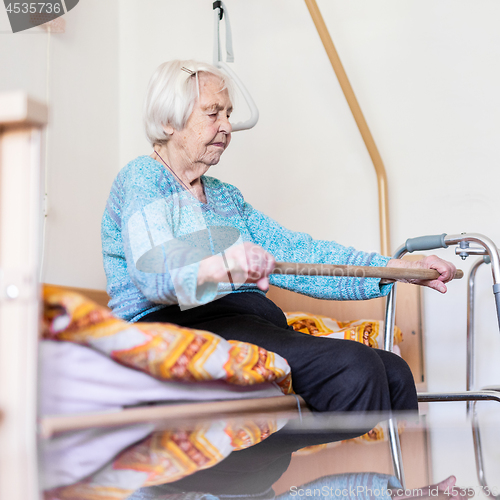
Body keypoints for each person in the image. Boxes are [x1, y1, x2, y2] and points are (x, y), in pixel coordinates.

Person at [101, 60, 456, 413]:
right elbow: (154, 274)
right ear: (168, 121)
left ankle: (401, 472)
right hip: (177, 327)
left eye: (228, 114)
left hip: (245, 323)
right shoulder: (144, 178)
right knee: (353, 367)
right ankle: (349, 469)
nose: (227, 126)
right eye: (213, 113)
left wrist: (399, 268)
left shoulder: (225, 196)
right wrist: (228, 266)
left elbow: (298, 252)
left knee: (393, 371)